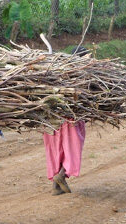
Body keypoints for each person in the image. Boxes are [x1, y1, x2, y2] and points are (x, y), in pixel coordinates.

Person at [44, 46, 89, 195]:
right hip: (71, 119)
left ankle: (55, 187)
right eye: (87, 57)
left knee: (56, 151)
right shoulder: (82, 74)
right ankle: (61, 175)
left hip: (51, 119)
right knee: (71, 150)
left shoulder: (56, 72)